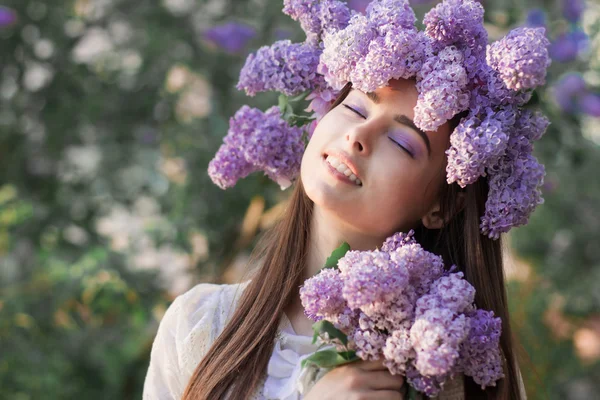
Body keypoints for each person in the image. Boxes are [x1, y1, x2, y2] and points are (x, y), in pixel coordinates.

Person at [143, 0, 549, 398]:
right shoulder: (198, 325)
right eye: (356, 106)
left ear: (441, 207)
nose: (359, 135)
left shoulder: (452, 367)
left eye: (401, 142)